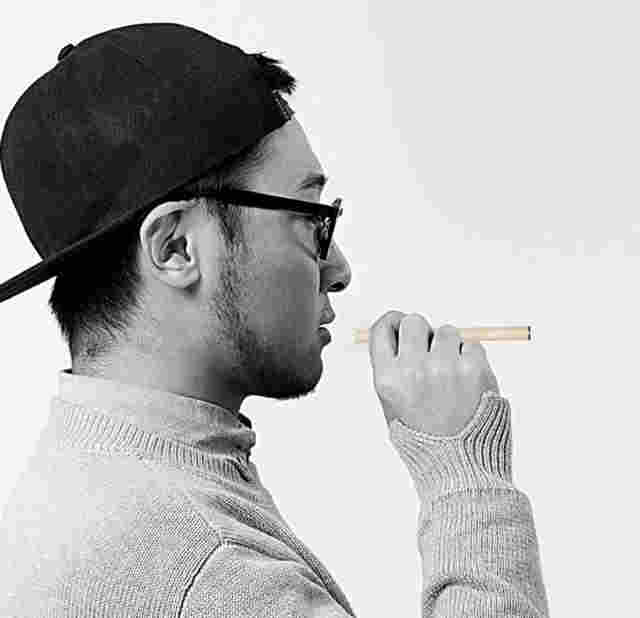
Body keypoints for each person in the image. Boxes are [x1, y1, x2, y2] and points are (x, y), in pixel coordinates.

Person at [0, 22, 549, 617]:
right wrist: (466, 477)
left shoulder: (76, 483)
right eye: (311, 218)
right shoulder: (208, 566)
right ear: (176, 248)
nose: (339, 269)